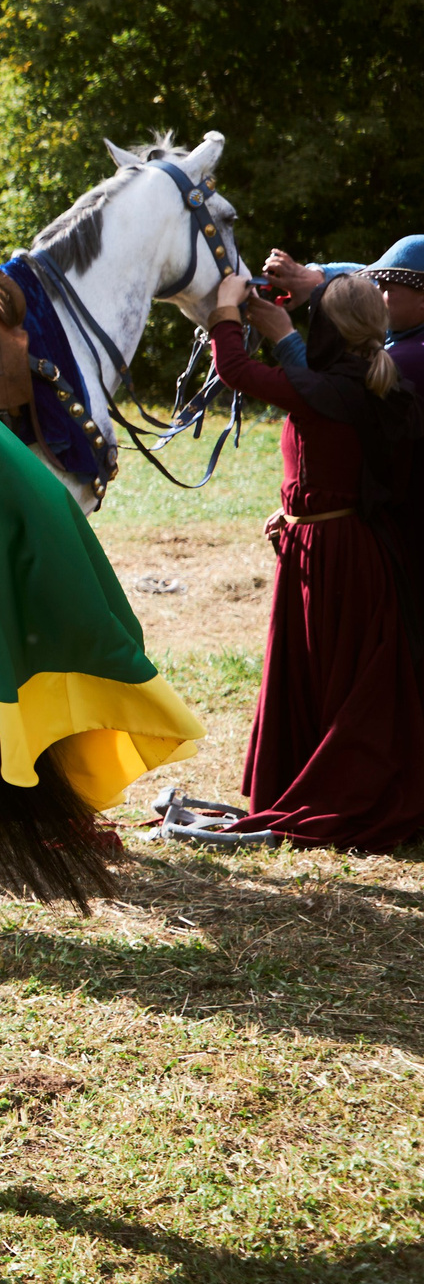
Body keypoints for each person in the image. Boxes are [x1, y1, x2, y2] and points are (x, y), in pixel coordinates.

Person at [210, 270, 424, 850]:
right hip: (333, 545)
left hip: (337, 558)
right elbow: (349, 467)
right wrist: (298, 510)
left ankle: (335, 790)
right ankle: (307, 777)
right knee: (325, 675)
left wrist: (227, 310)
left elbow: (234, 370)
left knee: (334, 680)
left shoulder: (334, 390)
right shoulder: (370, 384)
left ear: (327, 327)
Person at [262, 240, 424, 391]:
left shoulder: (409, 359)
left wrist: (284, 337)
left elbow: (330, 396)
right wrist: (317, 278)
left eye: (384, 287)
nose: (374, 292)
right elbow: (369, 276)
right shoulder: (409, 330)